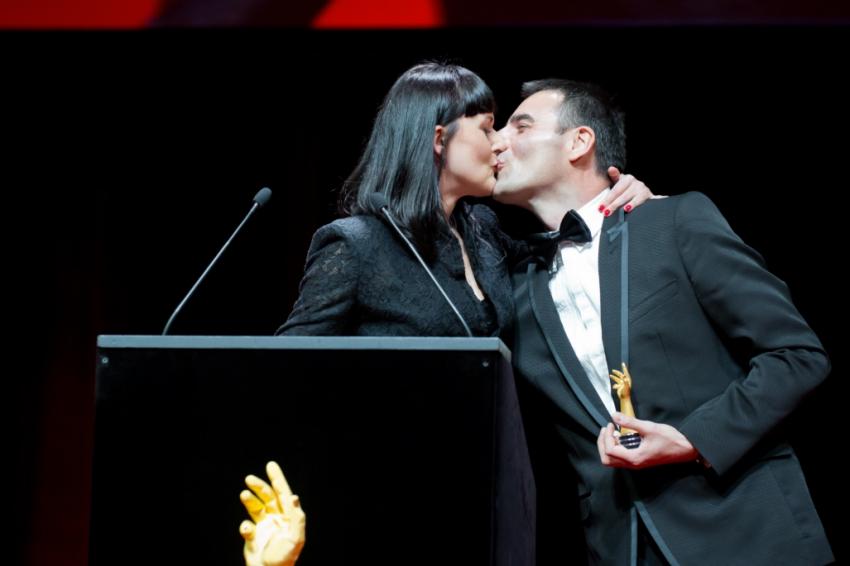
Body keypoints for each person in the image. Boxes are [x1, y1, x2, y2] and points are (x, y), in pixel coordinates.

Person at [494, 79, 833, 564]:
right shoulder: (512, 283)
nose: (499, 140)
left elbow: (797, 356)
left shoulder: (672, 221)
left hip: (745, 532)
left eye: (520, 126)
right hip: (620, 547)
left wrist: (695, 438)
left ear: (579, 142)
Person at [276, 62, 652, 338]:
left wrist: (622, 200)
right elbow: (288, 363)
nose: (499, 142)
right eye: (487, 128)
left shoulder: (482, 230)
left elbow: (563, 251)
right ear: (440, 140)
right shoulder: (355, 244)